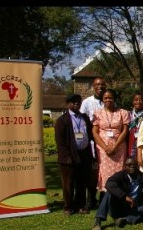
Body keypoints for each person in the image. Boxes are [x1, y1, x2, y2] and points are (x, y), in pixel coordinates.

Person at [54, 93, 94, 215]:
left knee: (81, 182)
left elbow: (90, 134)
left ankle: (80, 205)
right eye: (73, 101)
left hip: (84, 155)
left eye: (78, 101)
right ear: (68, 104)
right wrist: (67, 157)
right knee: (68, 183)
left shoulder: (85, 117)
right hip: (69, 157)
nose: (76, 103)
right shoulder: (62, 120)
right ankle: (68, 206)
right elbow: (60, 141)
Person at [92, 157, 143, 230]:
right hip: (120, 207)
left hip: (136, 208)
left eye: (134, 164)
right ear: (124, 167)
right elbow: (109, 184)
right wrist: (124, 197)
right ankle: (98, 220)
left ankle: (125, 219)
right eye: (129, 165)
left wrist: (141, 205)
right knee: (109, 193)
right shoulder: (120, 175)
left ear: (138, 165)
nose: (132, 166)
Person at [92, 89, 130, 193]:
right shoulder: (97, 113)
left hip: (119, 147)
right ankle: (105, 195)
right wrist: (105, 147)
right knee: (105, 172)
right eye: (106, 98)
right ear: (102, 100)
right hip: (103, 149)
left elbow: (125, 130)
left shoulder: (123, 112)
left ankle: (119, 194)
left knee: (119, 171)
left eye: (110, 98)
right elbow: (95, 132)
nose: (108, 100)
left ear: (114, 99)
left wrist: (115, 146)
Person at [80, 77, 107, 209]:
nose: (100, 87)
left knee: (104, 170)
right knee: (93, 172)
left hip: (106, 142)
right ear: (93, 86)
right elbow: (82, 122)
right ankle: (91, 199)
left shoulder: (108, 100)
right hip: (91, 142)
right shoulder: (86, 103)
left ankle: (103, 197)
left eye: (102, 84)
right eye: (97, 84)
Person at [127, 92, 143, 158]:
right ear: (133, 102)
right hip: (130, 141)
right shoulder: (128, 114)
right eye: (136, 100)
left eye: (141, 100)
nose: (138, 102)